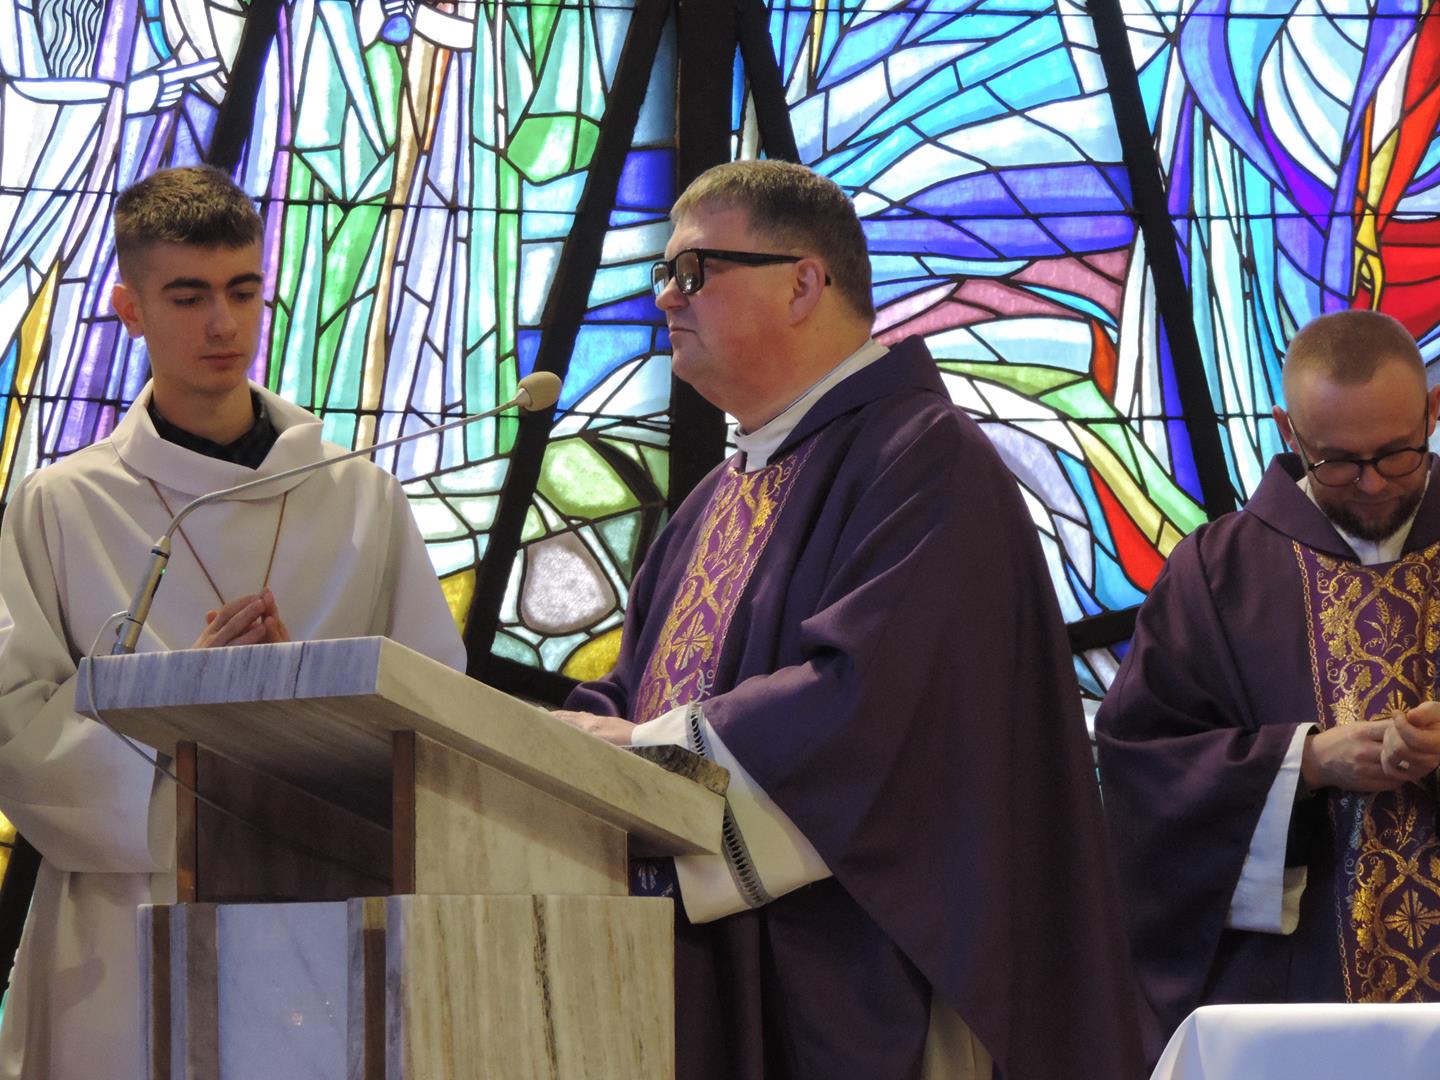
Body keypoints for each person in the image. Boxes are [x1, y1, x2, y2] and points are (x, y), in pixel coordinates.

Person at [553, 160, 1145, 1080]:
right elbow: (635, 691)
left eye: (694, 270)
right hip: (706, 974)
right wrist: (545, 741)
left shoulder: (926, 461)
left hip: (858, 984)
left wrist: (637, 752)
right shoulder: (713, 500)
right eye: (664, 273)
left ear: (803, 284)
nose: (666, 297)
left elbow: (874, 712)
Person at [0, 165, 467, 1080]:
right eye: (189, 297)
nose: (223, 324)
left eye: (243, 291)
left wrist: (309, 696)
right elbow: (16, 735)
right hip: (126, 922)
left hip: (329, 912)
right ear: (130, 309)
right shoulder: (61, 505)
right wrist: (182, 696)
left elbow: (438, 718)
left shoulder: (360, 496)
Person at [1096, 308, 1440, 1060]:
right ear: (1288, 431)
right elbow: (1139, 767)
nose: (1372, 484)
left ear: (1433, 411)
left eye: (1396, 454)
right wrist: (1305, 763)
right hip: (1297, 991)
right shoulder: (1215, 576)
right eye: (1339, 462)